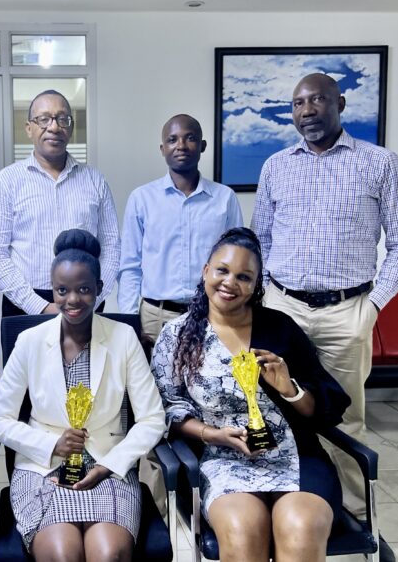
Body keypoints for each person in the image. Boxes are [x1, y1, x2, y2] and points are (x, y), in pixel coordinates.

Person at [252, 73, 398, 559]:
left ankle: (358, 519)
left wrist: (372, 307)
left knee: (345, 416)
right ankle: (277, 500)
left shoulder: (380, 163)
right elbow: (260, 240)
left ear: (340, 103)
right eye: (298, 103)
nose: (307, 110)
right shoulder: (276, 166)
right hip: (282, 309)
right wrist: (264, 303)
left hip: (348, 309)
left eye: (317, 99)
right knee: (273, 408)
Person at [151, 227, 350, 562]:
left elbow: (328, 407)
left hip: (297, 459)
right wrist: (213, 435)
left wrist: (290, 388)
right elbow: (168, 409)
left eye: (244, 276)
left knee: (299, 530)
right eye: (222, 271)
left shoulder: (280, 327)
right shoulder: (178, 335)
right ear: (206, 272)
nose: (230, 283)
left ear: (257, 284)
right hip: (223, 460)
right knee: (244, 535)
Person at [0, 229, 166, 560]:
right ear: (53, 291)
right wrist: (51, 445)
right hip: (45, 470)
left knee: (108, 553)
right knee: (62, 555)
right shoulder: (30, 340)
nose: (72, 300)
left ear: (99, 290)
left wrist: (111, 465)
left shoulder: (123, 337)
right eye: (62, 290)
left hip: (107, 469)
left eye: (84, 289)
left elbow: (153, 418)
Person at [0, 90, 120, 317]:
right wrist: (39, 306)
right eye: (44, 119)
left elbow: (111, 247)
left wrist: (93, 299)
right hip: (24, 304)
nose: (54, 127)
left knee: (88, 355)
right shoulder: (7, 180)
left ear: (71, 126)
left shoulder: (95, 180)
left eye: (62, 118)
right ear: (29, 128)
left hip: (85, 302)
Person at [118, 113, 243, 346]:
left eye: (190, 138)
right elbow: (130, 265)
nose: (181, 146)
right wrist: (130, 319)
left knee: (209, 382)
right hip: (155, 319)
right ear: (162, 148)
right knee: (154, 383)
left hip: (211, 314)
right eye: (172, 140)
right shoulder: (142, 199)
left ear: (202, 146)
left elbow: (237, 264)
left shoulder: (224, 199)